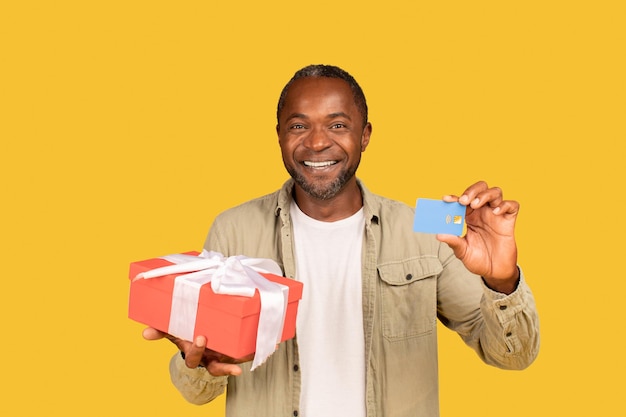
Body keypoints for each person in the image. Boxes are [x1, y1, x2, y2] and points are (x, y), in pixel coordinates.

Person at [142, 64, 540, 417]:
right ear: (279, 135)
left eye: (337, 125)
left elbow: (514, 355)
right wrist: (195, 361)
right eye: (299, 125)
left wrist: (501, 281)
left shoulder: (425, 229)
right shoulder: (233, 229)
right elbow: (196, 389)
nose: (316, 143)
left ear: (364, 135)